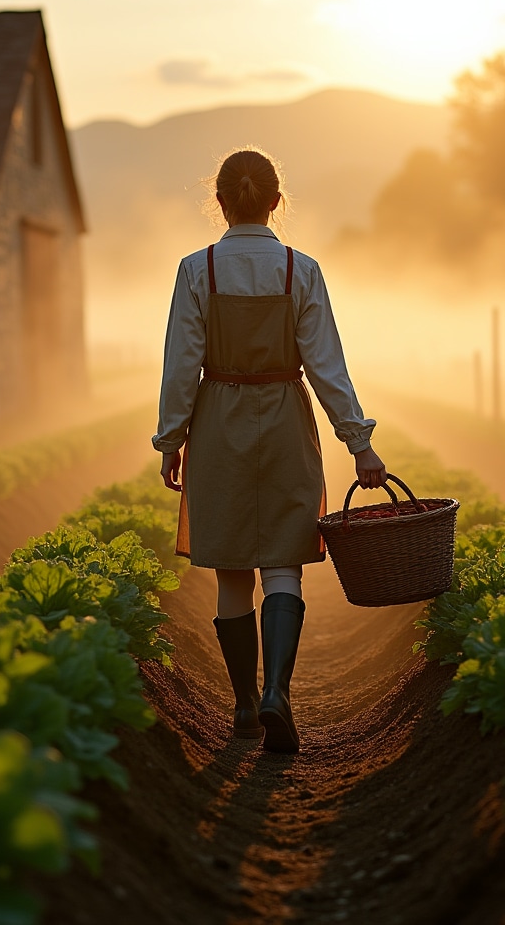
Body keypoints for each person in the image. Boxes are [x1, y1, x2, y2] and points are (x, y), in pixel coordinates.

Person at [153, 148, 386, 754]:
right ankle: (278, 692)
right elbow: (328, 366)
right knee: (283, 563)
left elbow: (181, 366)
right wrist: (358, 442)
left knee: (232, 569)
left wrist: (171, 440)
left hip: (218, 421)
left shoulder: (196, 270)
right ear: (276, 203)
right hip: (285, 417)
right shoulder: (300, 270)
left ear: (220, 203)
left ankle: (243, 707)